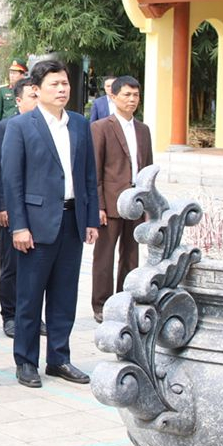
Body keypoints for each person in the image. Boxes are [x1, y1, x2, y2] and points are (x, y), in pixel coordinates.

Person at [2, 60, 99, 389]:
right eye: (54, 84)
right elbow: (12, 180)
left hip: (72, 220)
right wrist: (19, 225)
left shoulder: (79, 125)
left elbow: (88, 175)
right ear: (36, 90)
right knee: (29, 297)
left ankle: (59, 357)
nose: (62, 90)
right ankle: (26, 361)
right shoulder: (21, 126)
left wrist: (90, 218)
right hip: (36, 224)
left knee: (64, 295)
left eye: (65, 84)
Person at [90, 76, 152, 322]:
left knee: (131, 255)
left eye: (135, 95)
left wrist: (148, 202)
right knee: (104, 257)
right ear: (113, 97)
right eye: (126, 95)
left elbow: (147, 167)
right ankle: (101, 304)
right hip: (111, 202)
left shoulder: (143, 130)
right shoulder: (101, 127)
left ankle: (125, 299)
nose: (132, 100)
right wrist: (99, 206)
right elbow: (95, 169)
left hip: (135, 203)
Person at [0, 77, 42, 338]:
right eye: (32, 96)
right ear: (18, 101)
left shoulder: (49, 128)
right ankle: (9, 315)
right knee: (11, 266)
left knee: (36, 266)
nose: (37, 100)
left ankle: (30, 314)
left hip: (39, 210)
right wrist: (0, 206)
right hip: (12, 209)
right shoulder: (4, 128)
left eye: (38, 95)